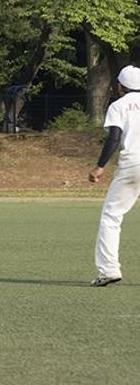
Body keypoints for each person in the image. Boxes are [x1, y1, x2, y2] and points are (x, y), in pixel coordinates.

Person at [89, 65, 140, 286]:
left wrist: (100, 166)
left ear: (120, 86)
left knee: (111, 216)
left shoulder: (118, 106)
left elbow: (114, 138)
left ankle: (109, 270)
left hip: (132, 163)